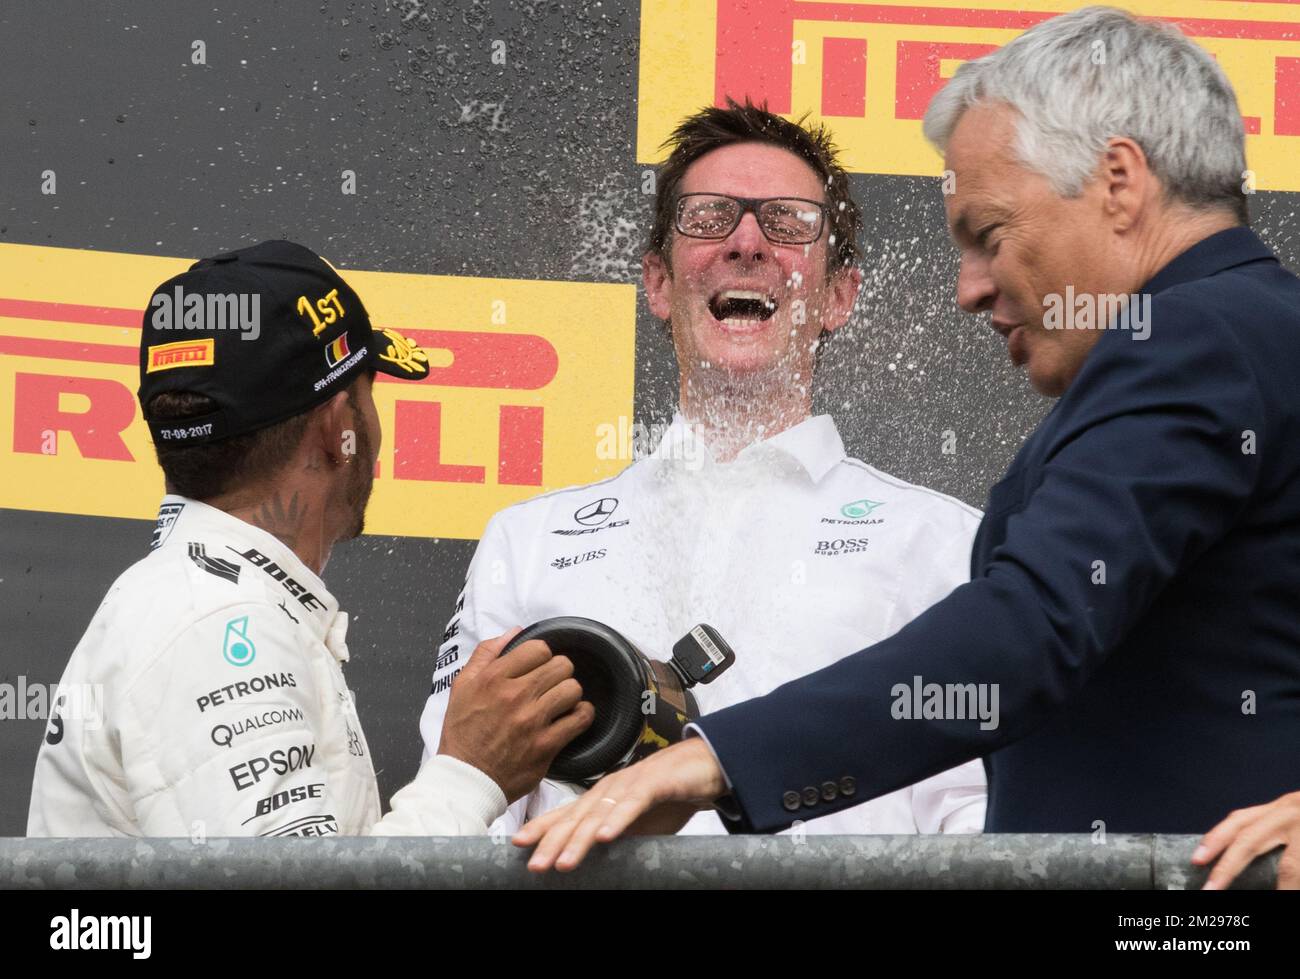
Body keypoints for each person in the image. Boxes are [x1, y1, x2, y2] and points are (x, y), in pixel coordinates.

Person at [515, 6, 1300, 891]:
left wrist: (712, 760)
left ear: (1119, 180)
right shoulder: (1244, 337)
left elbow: (1029, 627)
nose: (967, 289)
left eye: (989, 234)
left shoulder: (1195, 337)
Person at [419, 100, 987, 838]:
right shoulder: (528, 540)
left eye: (787, 221)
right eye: (710, 216)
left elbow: (978, 828)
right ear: (658, 282)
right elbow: (461, 811)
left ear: (839, 296)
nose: (747, 241)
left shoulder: (943, 542)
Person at [27, 240, 592, 837]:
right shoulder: (218, 624)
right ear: (337, 426)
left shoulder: (205, 599)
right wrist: (468, 775)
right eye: (371, 394)